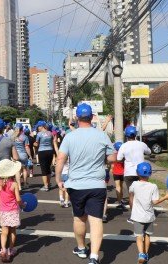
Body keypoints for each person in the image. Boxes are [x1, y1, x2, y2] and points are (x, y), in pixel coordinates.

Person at [55, 103, 116, 264]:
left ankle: (82, 248)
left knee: (79, 218)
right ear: (92, 117)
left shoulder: (70, 136)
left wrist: (58, 179)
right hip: (97, 184)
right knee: (96, 220)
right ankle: (94, 256)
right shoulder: (101, 135)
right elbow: (112, 158)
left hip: (76, 185)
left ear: (76, 118)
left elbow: (61, 159)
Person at [129, 162, 168, 263]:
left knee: (139, 236)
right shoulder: (153, 186)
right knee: (147, 235)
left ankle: (141, 254)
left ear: (137, 173)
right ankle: (146, 254)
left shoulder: (134, 184)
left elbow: (131, 197)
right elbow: (155, 202)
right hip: (149, 216)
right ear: (150, 173)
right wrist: (165, 197)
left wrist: (132, 207)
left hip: (137, 216)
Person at [0, 159, 24, 262]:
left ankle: (3, 249)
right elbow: (18, 199)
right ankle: (11, 249)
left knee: (4, 231)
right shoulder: (14, 184)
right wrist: (23, 205)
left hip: (3, 210)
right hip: (13, 210)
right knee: (13, 231)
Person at [117, 126, 152, 212]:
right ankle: (143, 211)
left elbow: (118, 158)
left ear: (126, 135)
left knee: (131, 194)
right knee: (142, 193)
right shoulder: (141, 144)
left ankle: (133, 215)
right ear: (135, 134)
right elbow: (149, 152)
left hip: (129, 172)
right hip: (141, 172)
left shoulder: (124, 146)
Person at [35, 120, 57, 191]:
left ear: (42, 126)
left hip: (42, 152)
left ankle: (46, 186)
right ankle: (48, 183)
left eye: (38, 126)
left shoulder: (39, 134)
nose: (38, 128)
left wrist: (34, 144)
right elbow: (53, 141)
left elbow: (36, 143)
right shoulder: (50, 133)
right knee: (48, 168)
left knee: (44, 169)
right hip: (50, 151)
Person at [12, 123, 32, 190]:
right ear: (22, 129)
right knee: (24, 169)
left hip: (15, 155)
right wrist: (30, 155)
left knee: (17, 171)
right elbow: (27, 147)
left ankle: (19, 186)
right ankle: (25, 183)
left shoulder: (12, 137)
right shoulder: (24, 137)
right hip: (23, 154)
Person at [112, 142, 125, 209]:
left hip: (116, 172)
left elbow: (111, 163)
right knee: (121, 186)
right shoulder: (123, 155)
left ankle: (119, 201)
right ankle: (122, 199)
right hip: (123, 172)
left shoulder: (114, 155)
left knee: (117, 186)